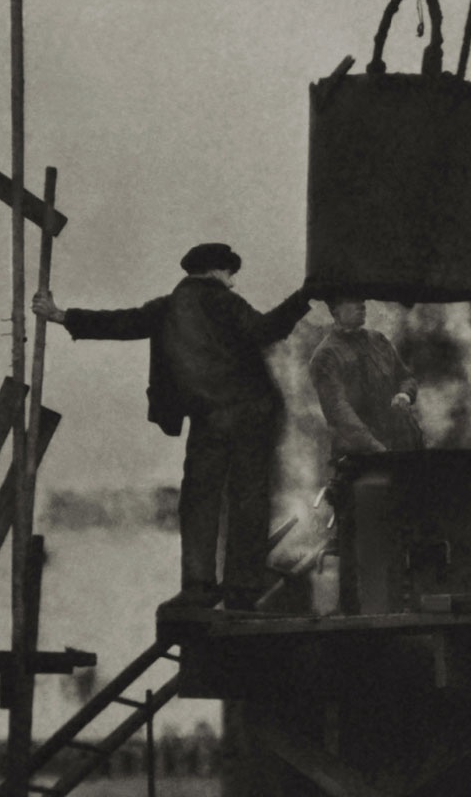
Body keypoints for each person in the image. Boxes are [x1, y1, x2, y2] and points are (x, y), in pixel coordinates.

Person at [32, 242, 310, 610]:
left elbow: (120, 323)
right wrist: (303, 298)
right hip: (250, 413)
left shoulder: (165, 308)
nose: (233, 282)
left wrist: (60, 315)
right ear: (217, 271)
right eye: (231, 274)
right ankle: (242, 587)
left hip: (206, 418)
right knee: (248, 499)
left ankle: (197, 586)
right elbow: (266, 330)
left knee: (198, 500)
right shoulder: (225, 302)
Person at [309, 296, 423, 456]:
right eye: (353, 300)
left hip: (402, 443)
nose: (362, 305)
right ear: (335, 309)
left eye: (362, 300)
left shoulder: (378, 340)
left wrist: (405, 395)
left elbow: (406, 378)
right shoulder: (326, 355)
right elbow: (339, 412)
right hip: (361, 454)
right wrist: (377, 449)